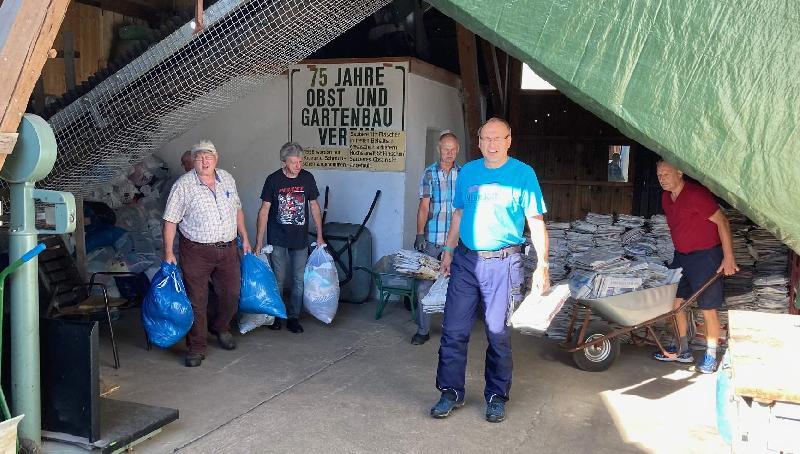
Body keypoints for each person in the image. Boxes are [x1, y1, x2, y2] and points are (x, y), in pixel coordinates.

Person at [430, 118, 549, 423]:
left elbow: (535, 221)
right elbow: (458, 213)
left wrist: (543, 266)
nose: (492, 144)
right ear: (479, 142)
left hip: (504, 264)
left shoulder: (523, 173)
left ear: (509, 140)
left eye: (498, 138)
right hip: (466, 261)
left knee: (497, 334)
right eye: (486, 139)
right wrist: (448, 250)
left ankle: (496, 396)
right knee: (453, 330)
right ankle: (450, 392)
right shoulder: (468, 171)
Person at [163, 140, 252, 367]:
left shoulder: (227, 179)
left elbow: (238, 210)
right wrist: (168, 252)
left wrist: (245, 239)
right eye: (200, 157)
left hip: (228, 248)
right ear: (194, 161)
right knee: (197, 299)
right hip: (196, 251)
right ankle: (197, 347)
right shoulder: (184, 185)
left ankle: (221, 327)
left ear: (216, 159)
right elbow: (170, 221)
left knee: (231, 294)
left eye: (209, 157)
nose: (205, 161)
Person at [652, 161, 738, 373]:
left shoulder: (696, 195)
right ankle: (683, 350)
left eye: (666, 173)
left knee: (708, 308)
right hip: (681, 257)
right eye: (659, 174)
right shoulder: (666, 198)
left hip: (706, 256)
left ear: (680, 173)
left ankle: (710, 355)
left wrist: (728, 257)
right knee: (674, 303)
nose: (662, 178)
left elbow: (723, 222)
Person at [255, 142, 324, 334]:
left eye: (300, 161)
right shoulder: (273, 180)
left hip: (300, 239)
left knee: (298, 280)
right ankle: (277, 315)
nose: (298, 166)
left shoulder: (307, 178)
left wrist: (319, 235)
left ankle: (293, 317)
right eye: (293, 162)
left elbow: (314, 206)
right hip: (277, 237)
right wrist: (259, 242)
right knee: (278, 279)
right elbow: (264, 211)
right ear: (284, 162)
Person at [412, 131, 460, 345]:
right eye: (445, 149)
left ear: (457, 150)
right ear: (439, 149)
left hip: (457, 241)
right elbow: (423, 206)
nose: (449, 153)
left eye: (453, 149)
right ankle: (423, 330)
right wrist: (419, 233)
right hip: (432, 238)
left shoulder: (464, 174)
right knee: (424, 285)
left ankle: (452, 330)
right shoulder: (429, 173)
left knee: (457, 287)